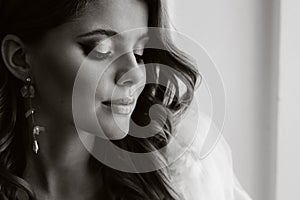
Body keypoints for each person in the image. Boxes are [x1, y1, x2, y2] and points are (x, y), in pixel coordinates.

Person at [0, 0, 252, 199]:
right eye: (101, 50)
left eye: (139, 53)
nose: (134, 74)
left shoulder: (181, 175)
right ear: (20, 58)